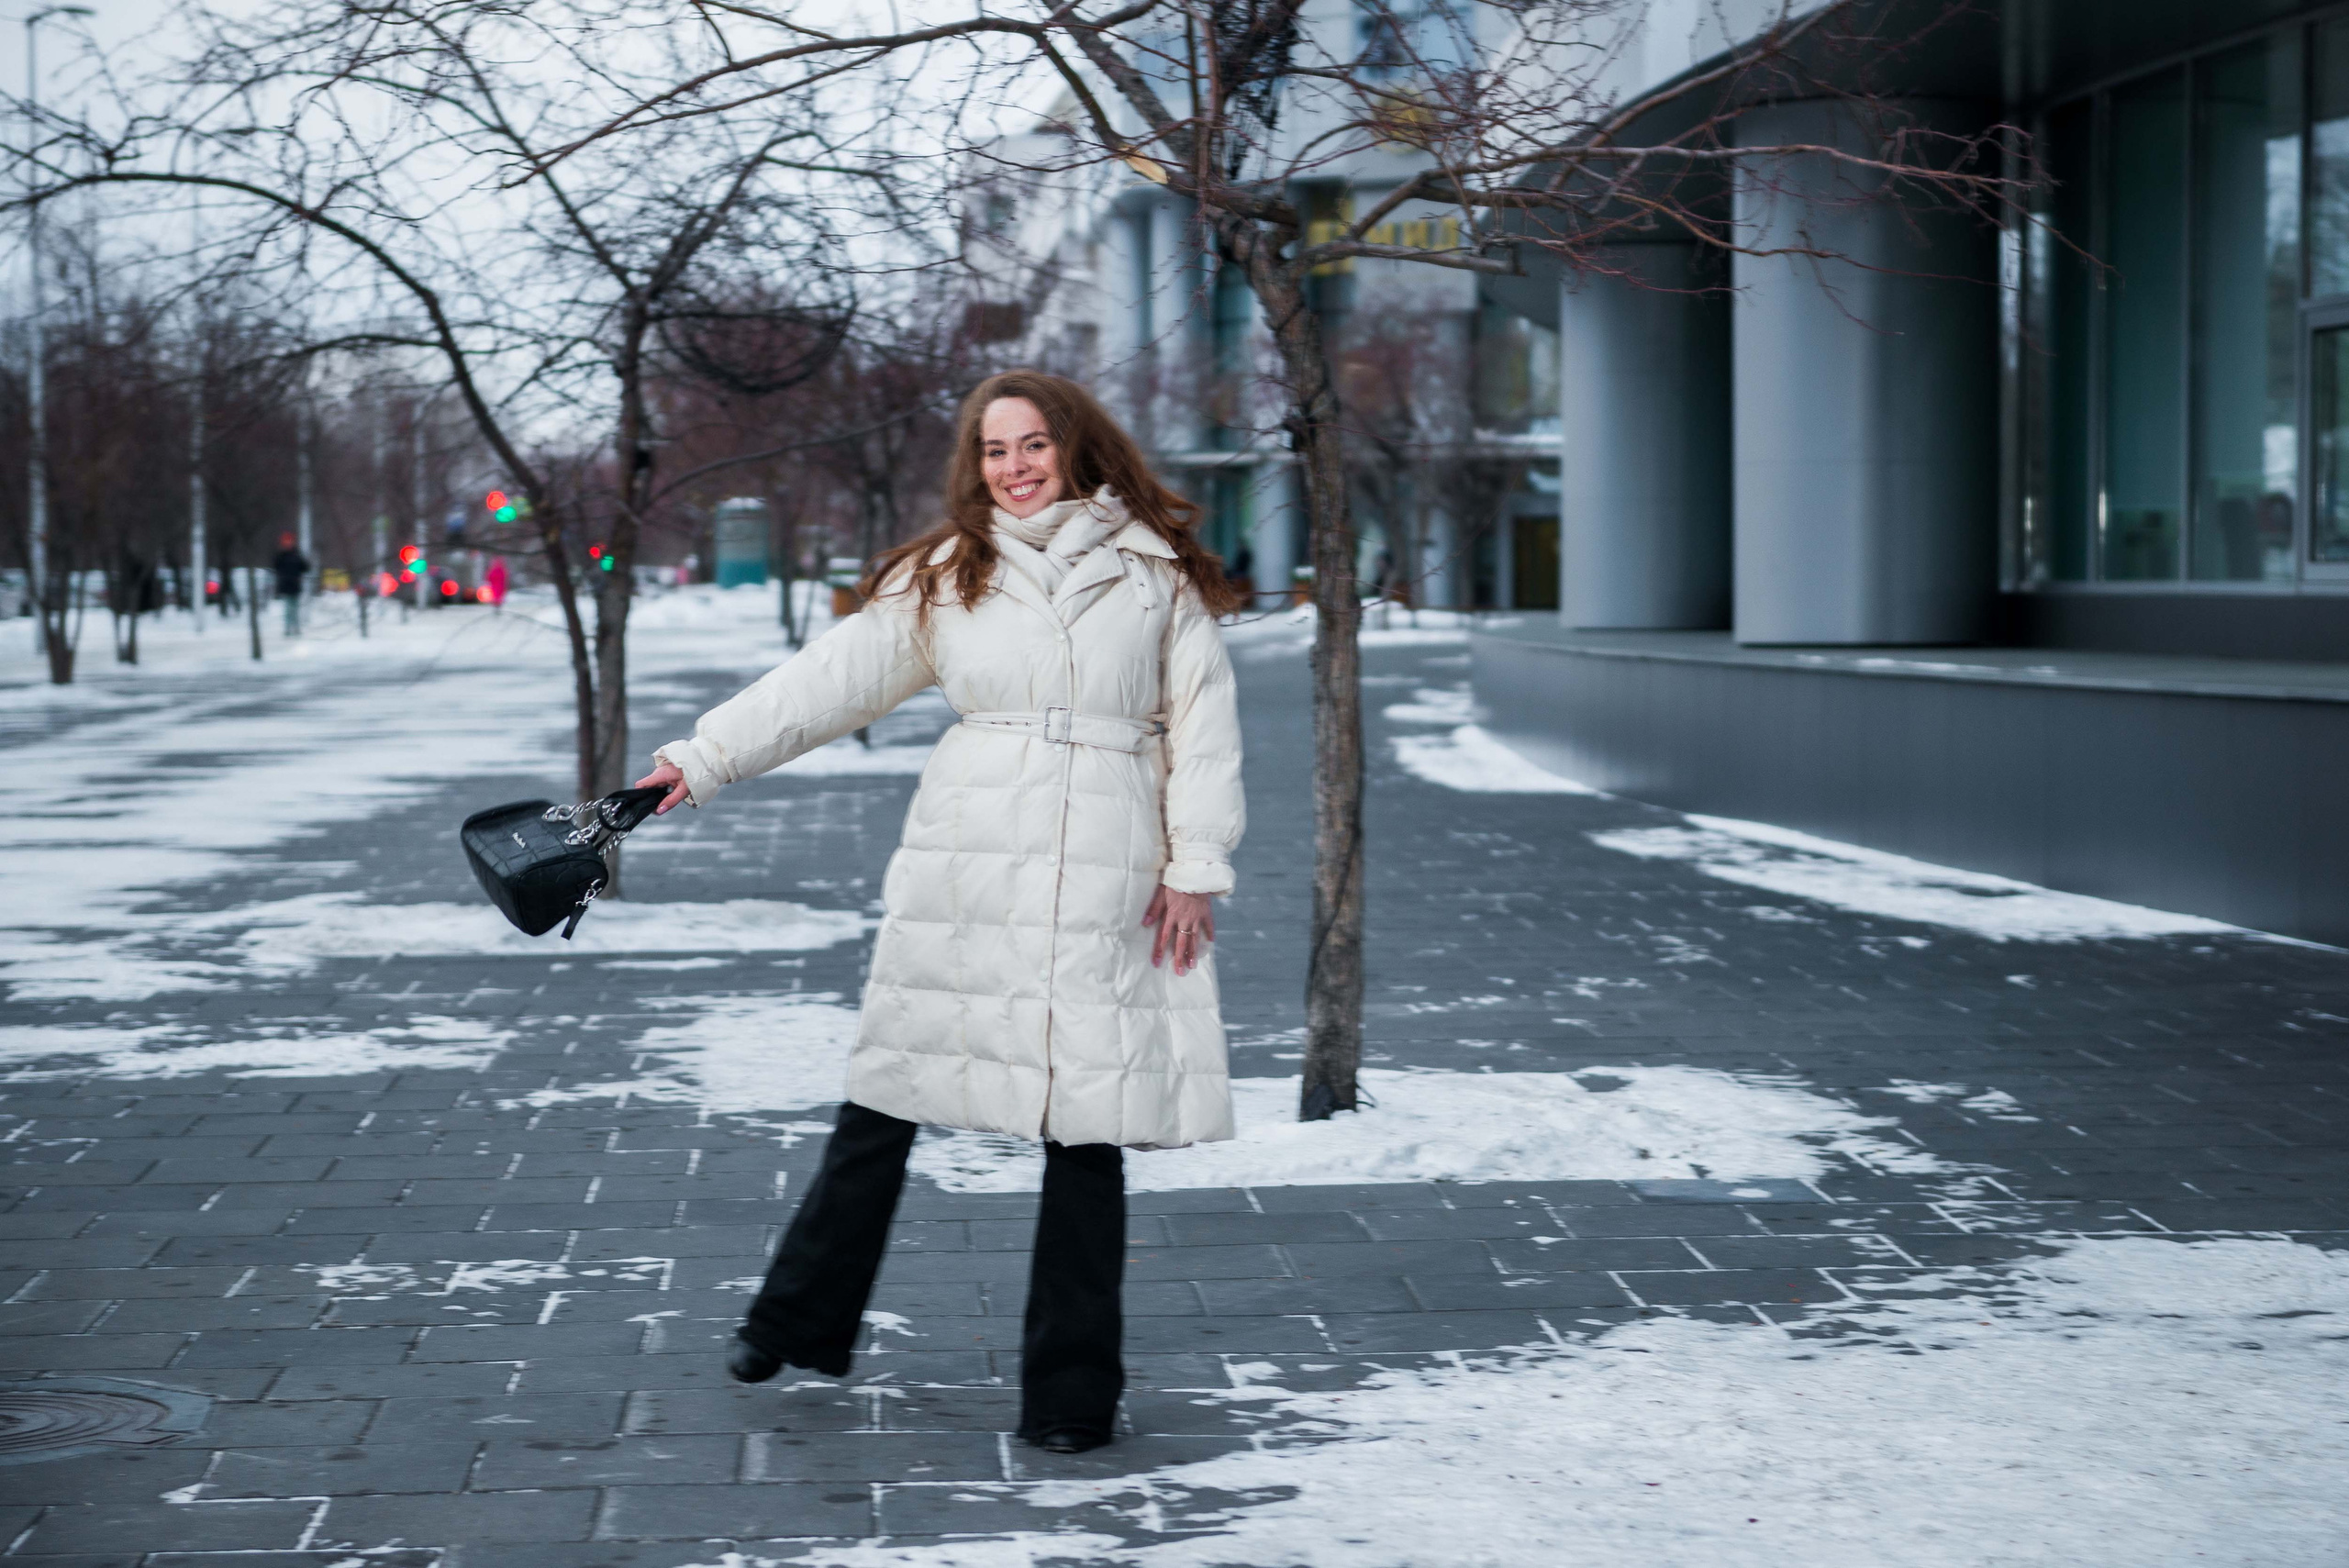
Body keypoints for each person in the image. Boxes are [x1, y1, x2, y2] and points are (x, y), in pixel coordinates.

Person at [636, 370, 1248, 1454]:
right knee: (887, 1096)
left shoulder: (1156, 574)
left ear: (1075, 446)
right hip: (968, 864)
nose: (1012, 468)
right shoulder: (947, 574)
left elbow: (1203, 729)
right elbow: (828, 682)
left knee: (1085, 1129)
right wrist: (704, 757)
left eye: (1032, 445)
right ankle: (794, 1318)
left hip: (1109, 865)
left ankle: (1070, 1394)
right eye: (992, 450)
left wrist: (1194, 865)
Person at [272, 533, 310, 636]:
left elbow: (305, 567)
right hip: (285, 585)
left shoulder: (296, 554)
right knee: (288, 608)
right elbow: (275, 566)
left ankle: (296, 628)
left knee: (295, 608)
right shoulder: (281, 555)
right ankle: (288, 629)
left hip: (295, 585)